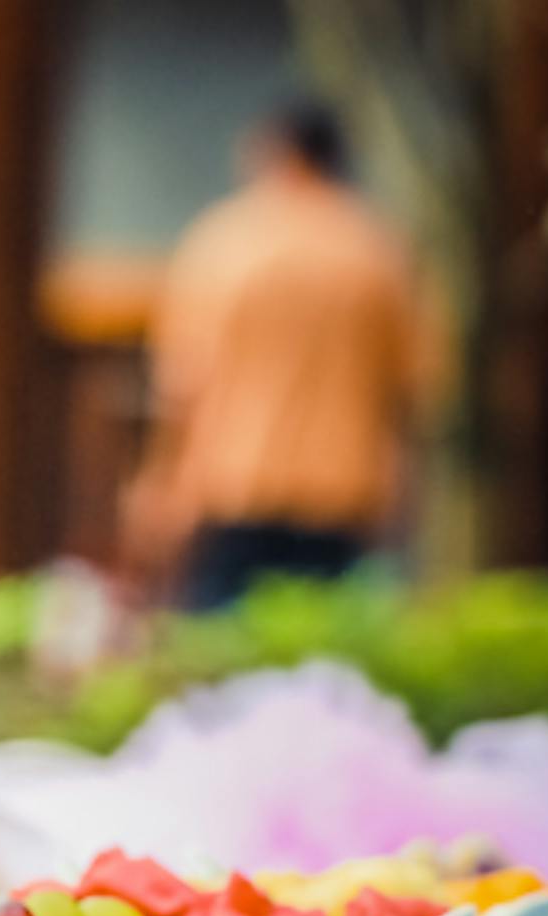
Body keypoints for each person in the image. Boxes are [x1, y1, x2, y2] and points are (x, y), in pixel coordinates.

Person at [128, 99, 428, 611]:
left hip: (234, 480)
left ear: (275, 153)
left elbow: (181, 380)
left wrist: (159, 479)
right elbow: (413, 383)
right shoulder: (378, 250)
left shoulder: (225, 242)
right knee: (326, 658)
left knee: (220, 650)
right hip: (347, 488)